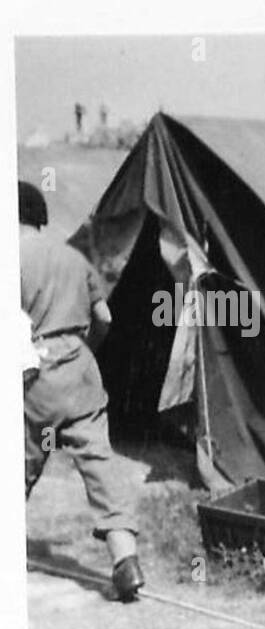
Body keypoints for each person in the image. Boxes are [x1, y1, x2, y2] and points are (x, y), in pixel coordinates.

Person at [20, 180, 144, 600]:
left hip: (32, 376)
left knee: (18, 466)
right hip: (81, 370)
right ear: (40, 218)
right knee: (99, 464)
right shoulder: (73, 258)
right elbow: (104, 316)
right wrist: (84, 352)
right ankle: (125, 560)